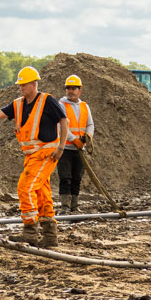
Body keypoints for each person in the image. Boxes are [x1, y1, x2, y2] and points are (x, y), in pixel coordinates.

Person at [0, 65, 65, 246]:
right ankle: (50, 235)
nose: (21, 88)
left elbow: (64, 120)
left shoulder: (47, 101)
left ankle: (30, 231)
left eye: (24, 85)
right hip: (32, 156)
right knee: (41, 193)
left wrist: (61, 147)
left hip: (46, 153)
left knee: (25, 187)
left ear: (34, 84)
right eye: (20, 85)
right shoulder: (18, 104)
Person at [56, 74, 93, 209]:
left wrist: (88, 136)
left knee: (77, 178)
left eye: (73, 88)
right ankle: (65, 206)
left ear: (79, 90)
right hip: (65, 148)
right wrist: (73, 139)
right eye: (68, 88)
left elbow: (90, 124)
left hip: (79, 149)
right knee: (65, 177)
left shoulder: (84, 106)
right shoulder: (61, 105)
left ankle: (75, 206)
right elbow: (61, 126)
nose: (70, 91)